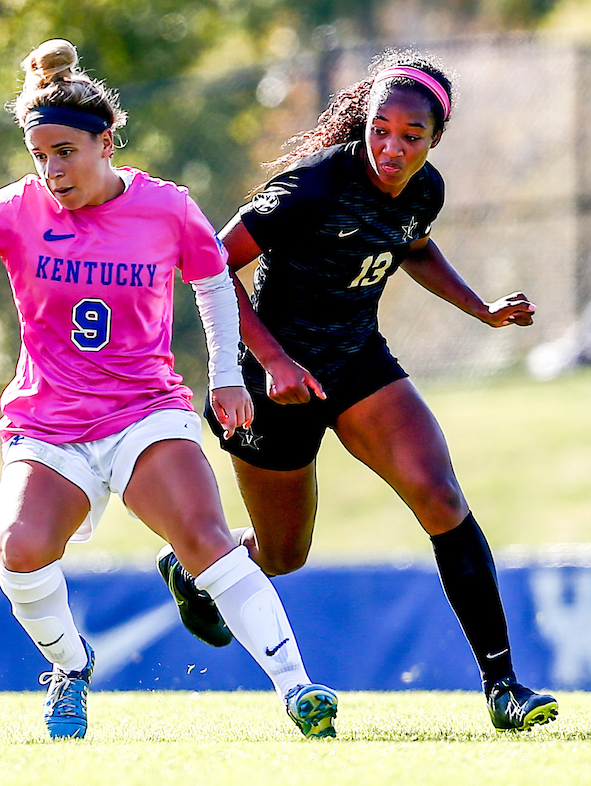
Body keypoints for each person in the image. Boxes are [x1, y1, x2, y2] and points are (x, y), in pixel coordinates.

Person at [0, 39, 338, 740]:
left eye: (65, 152)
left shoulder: (167, 207)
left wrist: (228, 377)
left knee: (205, 537)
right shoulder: (21, 207)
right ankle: (71, 667)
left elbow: (209, 281)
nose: (51, 170)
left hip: (145, 413)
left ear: (106, 142)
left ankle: (299, 689)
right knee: (19, 551)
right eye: (40, 155)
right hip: (49, 424)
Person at [157, 49, 559, 732]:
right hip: (268, 383)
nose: (393, 147)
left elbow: (414, 246)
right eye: (381, 129)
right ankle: (196, 569)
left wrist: (481, 310)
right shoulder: (312, 186)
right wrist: (275, 360)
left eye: (412, 136)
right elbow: (207, 264)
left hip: (356, 365)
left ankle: (503, 687)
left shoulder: (425, 188)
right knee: (285, 555)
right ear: (363, 122)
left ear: (435, 140)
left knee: (441, 497)